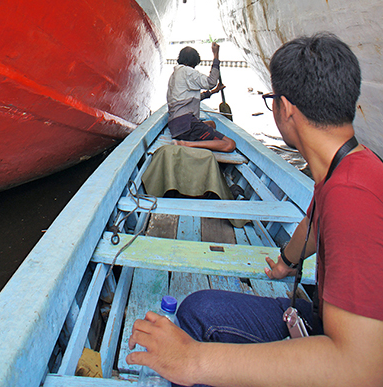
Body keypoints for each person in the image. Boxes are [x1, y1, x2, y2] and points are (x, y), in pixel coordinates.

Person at [127, 33, 383, 386]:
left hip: (348, 355)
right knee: (198, 310)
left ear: (286, 108)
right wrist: (286, 262)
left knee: (196, 334)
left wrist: (193, 360)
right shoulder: (350, 167)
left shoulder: (353, 195)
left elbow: (361, 370)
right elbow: (314, 221)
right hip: (321, 322)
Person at [167, 42, 235, 153]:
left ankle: (189, 141)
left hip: (175, 126)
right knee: (230, 144)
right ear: (193, 63)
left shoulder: (175, 75)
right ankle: (185, 144)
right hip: (187, 126)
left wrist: (213, 92)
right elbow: (211, 81)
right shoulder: (188, 71)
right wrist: (216, 55)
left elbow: (191, 97)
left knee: (212, 124)